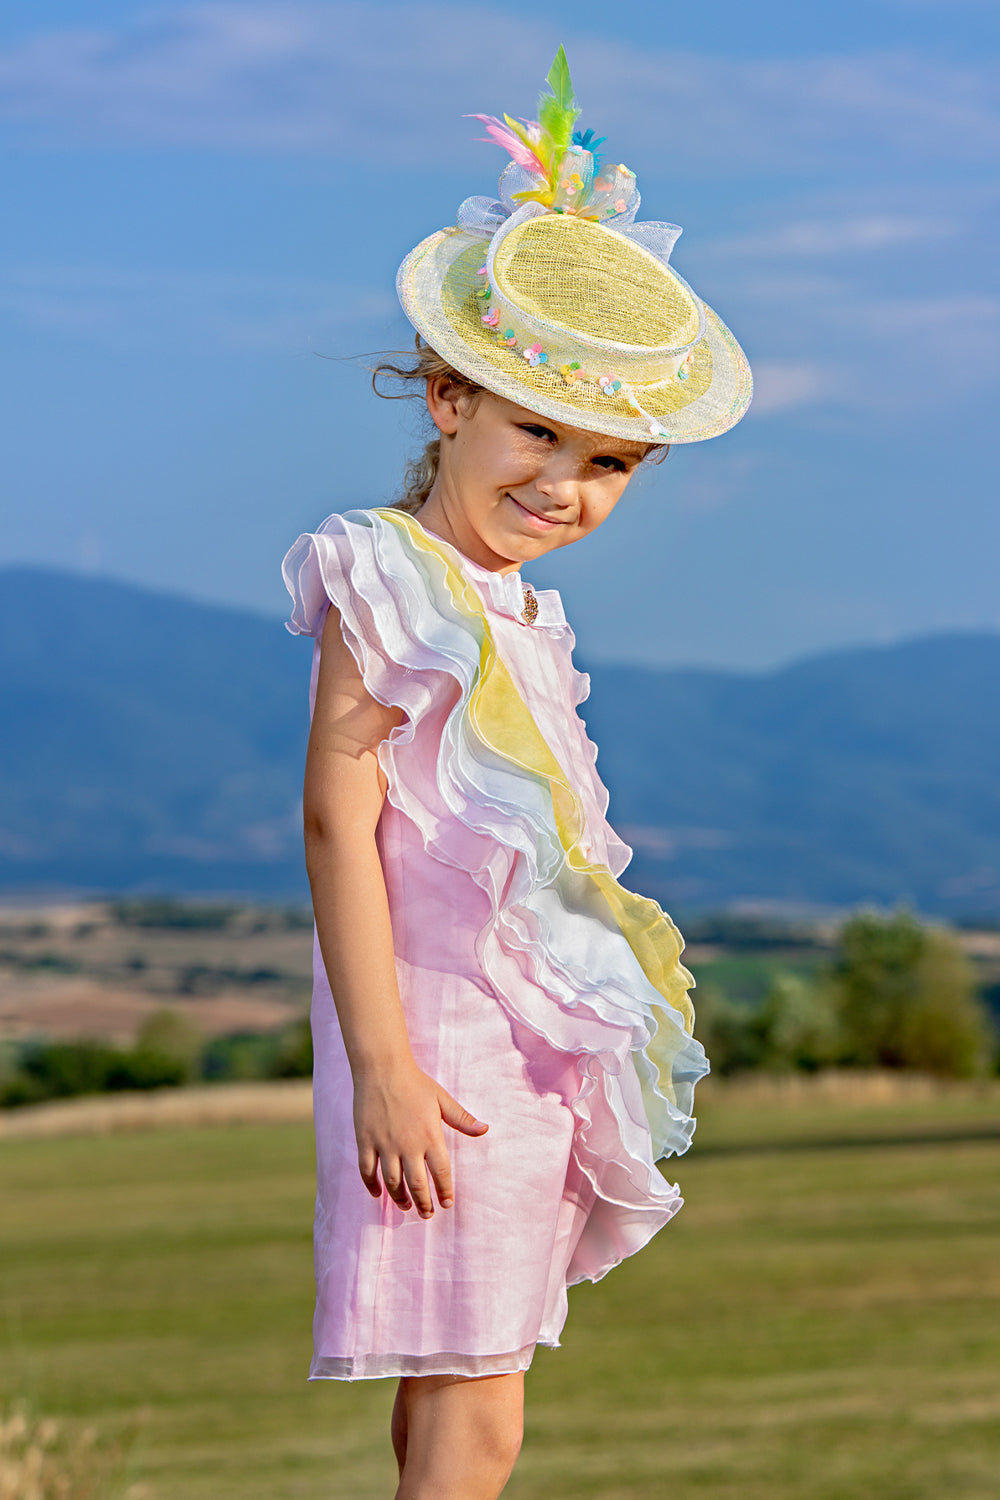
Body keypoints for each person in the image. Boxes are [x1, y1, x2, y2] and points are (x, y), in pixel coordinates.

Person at [282, 48, 751, 1500]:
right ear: (445, 399)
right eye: (535, 429)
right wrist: (385, 1070)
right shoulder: (392, 573)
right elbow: (335, 821)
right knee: (476, 1409)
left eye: (607, 461)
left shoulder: (518, 604)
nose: (562, 483)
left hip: (513, 1043)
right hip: (435, 1050)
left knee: (469, 1389)